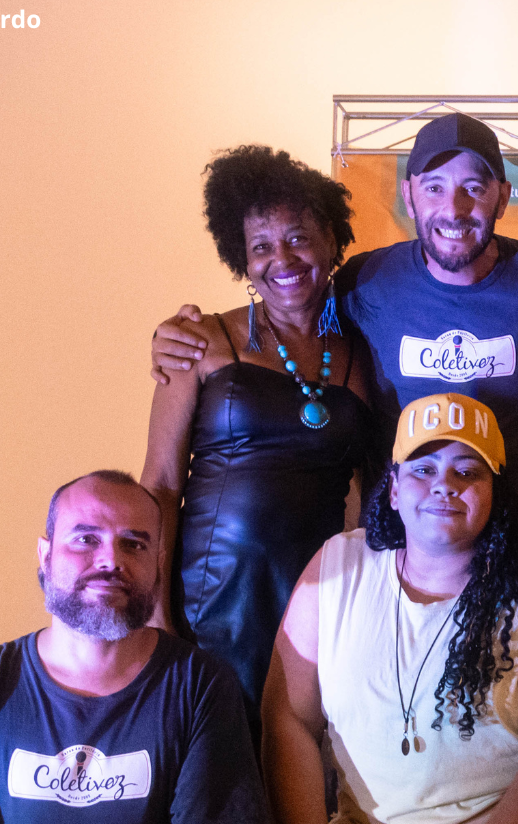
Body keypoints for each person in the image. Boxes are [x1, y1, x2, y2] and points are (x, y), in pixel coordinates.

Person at [151, 114, 518, 499]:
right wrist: (179, 334)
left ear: (503, 197)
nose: (453, 208)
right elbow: (290, 301)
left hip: (514, 547)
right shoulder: (366, 281)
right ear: (408, 196)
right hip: (397, 552)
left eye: (473, 187)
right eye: (434, 188)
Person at [261, 393, 518, 824]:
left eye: (467, 471)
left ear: (496, 493)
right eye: (423, 469)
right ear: (394, 490)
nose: (444, 484)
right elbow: (287, 718)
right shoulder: (337, 568)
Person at [142, 144, 376, 718]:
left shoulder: (363, 352)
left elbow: (370, 491)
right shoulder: (201, 341)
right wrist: (156, 616)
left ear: (330, 240)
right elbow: (161, 484)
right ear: (242, 260)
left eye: (298, 238)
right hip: (210, 598)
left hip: (318, 593)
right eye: (261, 247)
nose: (282, 259)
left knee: (299, 746)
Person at [0, 471, 266, 824]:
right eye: (86, 539)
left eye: (134, 544)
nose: (111, 560)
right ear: (45, 555)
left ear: (158, 565)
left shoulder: (201, 686)